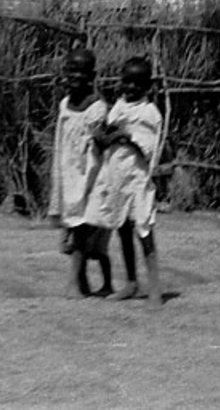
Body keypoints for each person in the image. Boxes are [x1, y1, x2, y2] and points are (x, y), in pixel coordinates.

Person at [94, 56, 164, 308]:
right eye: (126, 81)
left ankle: (154, 287)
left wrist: (126, 135)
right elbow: (106, 136)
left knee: (143, 229)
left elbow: (149, 147)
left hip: (138, 179)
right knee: (122, 228)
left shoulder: (150, 113)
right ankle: (131, 283)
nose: (130, 87)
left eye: (137, 83)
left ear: (147, 87)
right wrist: (109, 135)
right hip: (117, 177)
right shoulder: (118, 107)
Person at [47, 47, 114, 298]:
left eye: (81, 72)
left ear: (92, 76)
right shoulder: (65, 105)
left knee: (82, 227)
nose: (74, 76)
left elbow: (100, 141)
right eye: (70, 70)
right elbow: (61, 139)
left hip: (89, 175)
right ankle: (82, 281)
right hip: (68, 173)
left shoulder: (97, 108)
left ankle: (74, 282)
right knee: (73, 226)